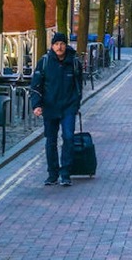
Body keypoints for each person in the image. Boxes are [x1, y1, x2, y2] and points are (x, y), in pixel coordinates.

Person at [29, 32, 83, 186]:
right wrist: (37, 105)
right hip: (50, 107)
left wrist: (76, 104)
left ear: (66, 45)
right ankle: (52, 174)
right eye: (56, 44)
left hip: (68, 107)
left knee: (68, 138)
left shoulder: (74, 62)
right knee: (51, 141)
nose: (59, 47)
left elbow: (78, 85)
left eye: (62, 43)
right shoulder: (44, 62)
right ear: (52, 46)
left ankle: (65, 173)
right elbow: (35, 86)